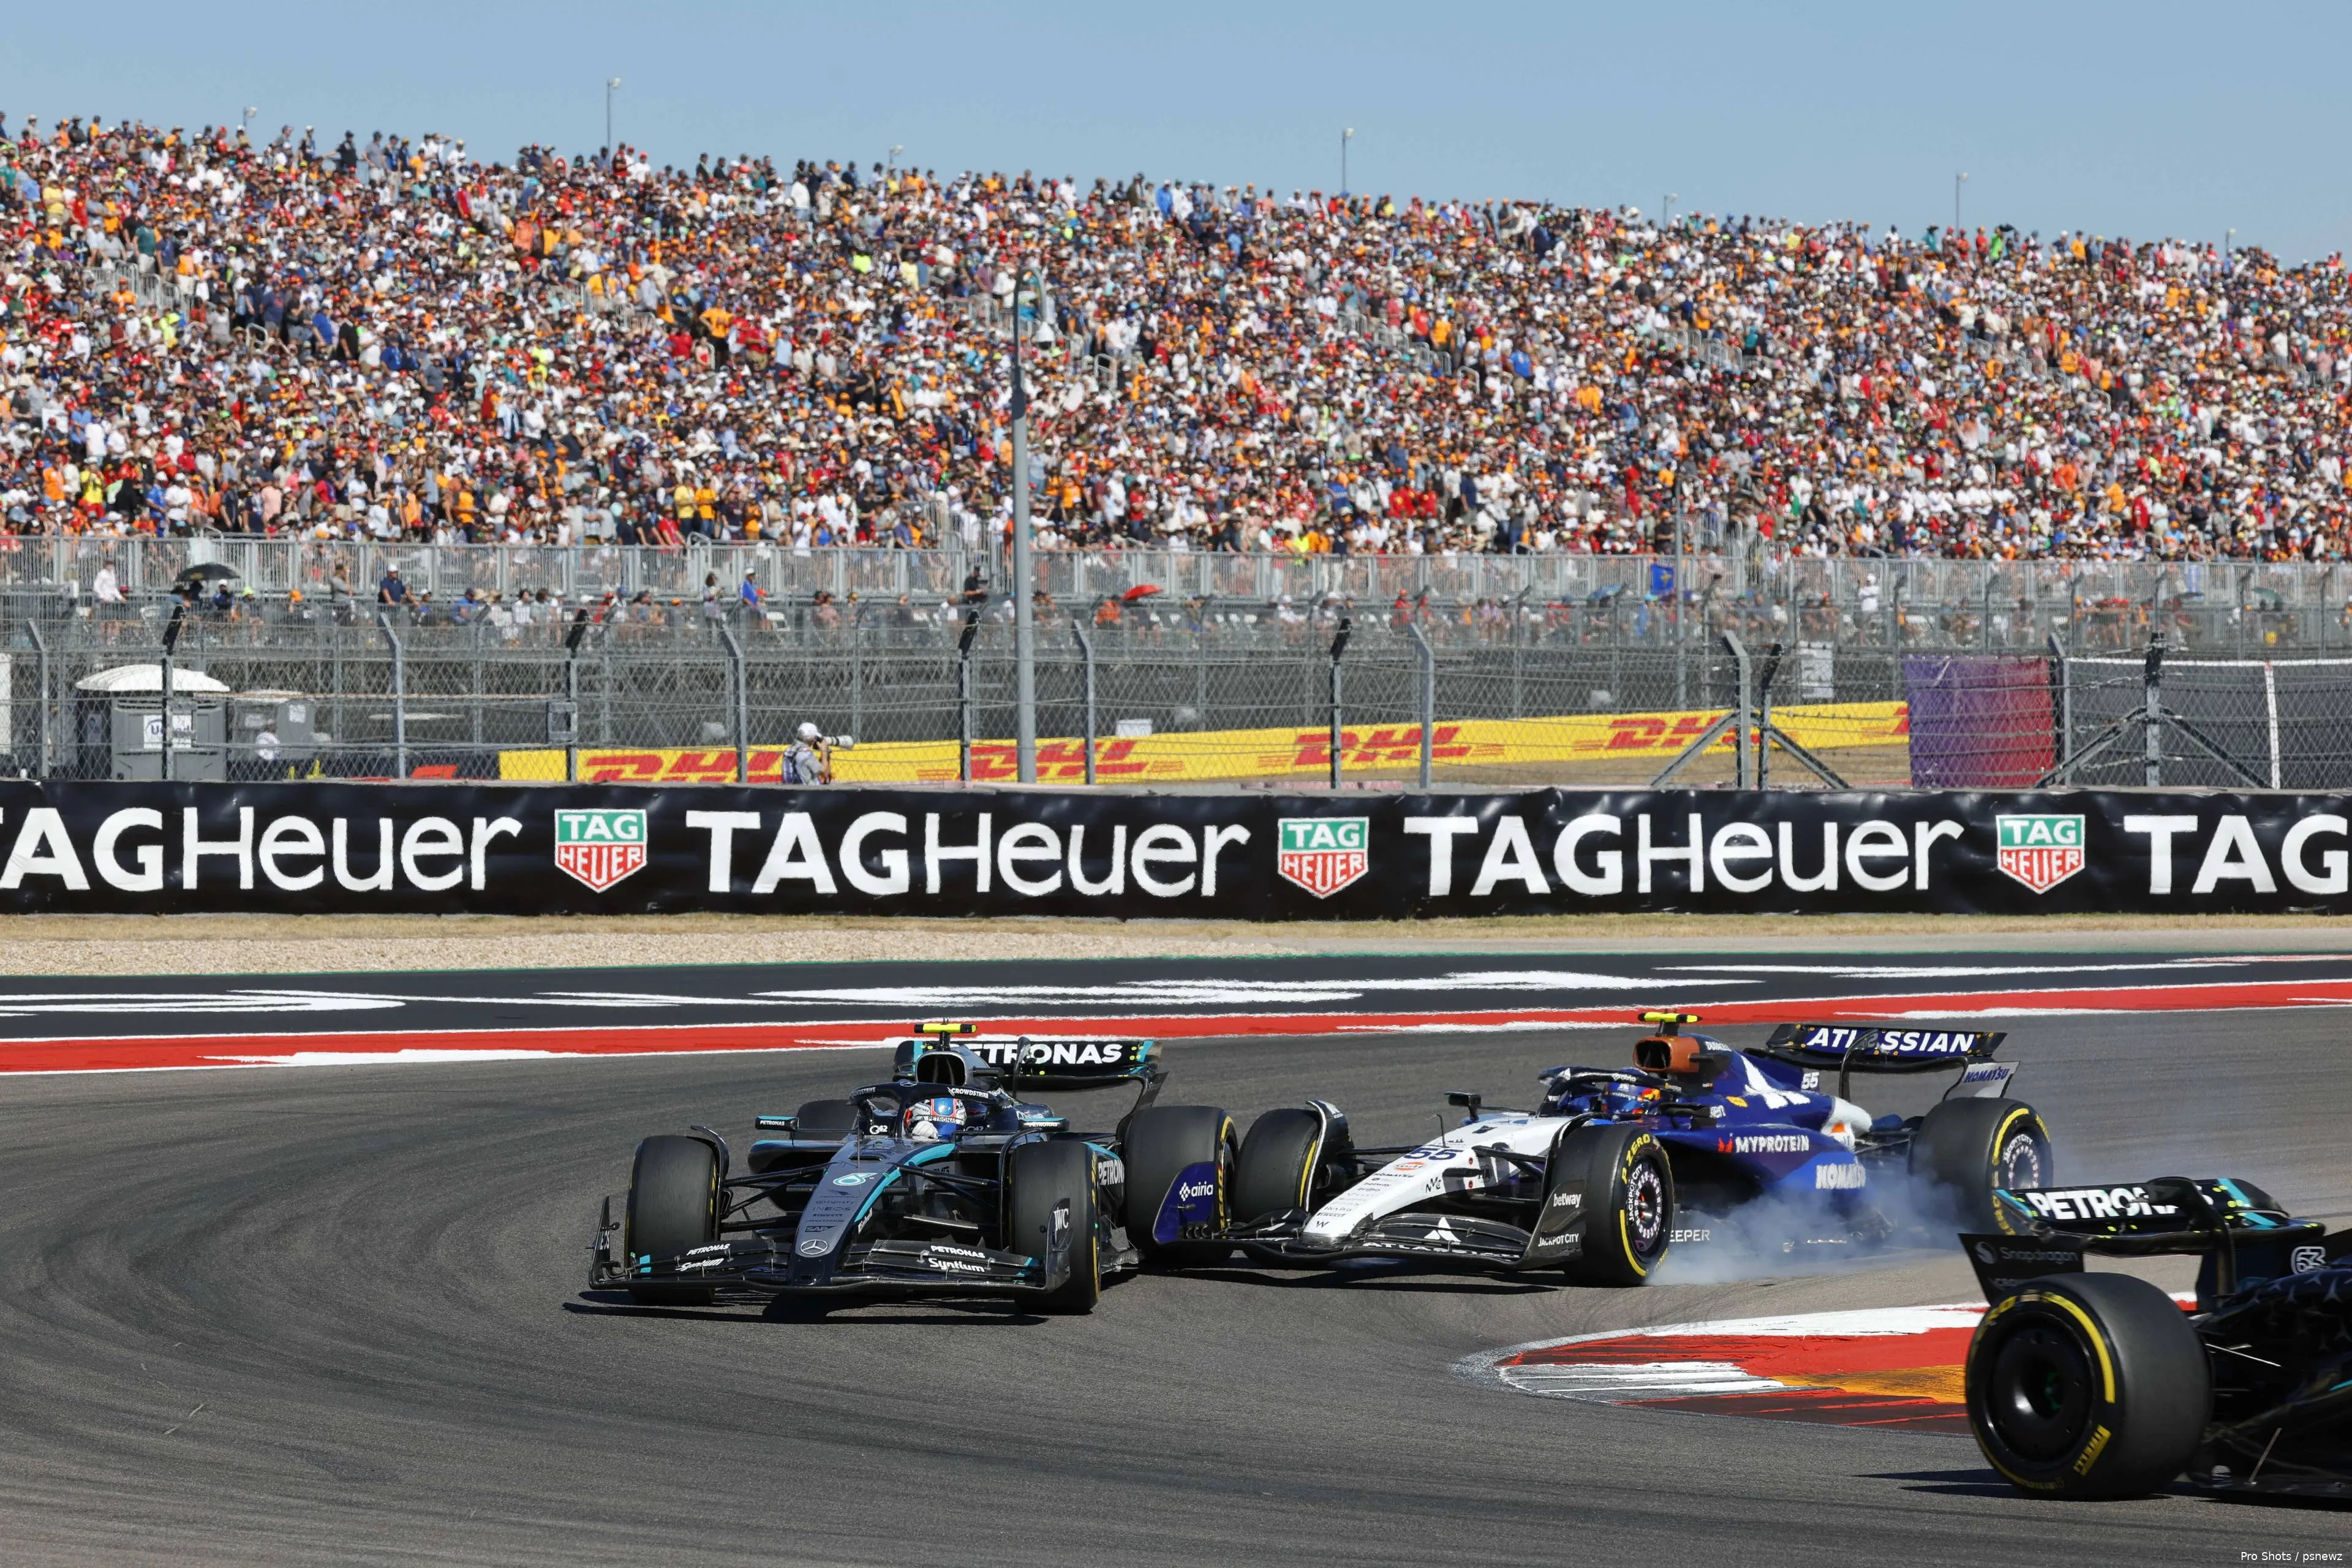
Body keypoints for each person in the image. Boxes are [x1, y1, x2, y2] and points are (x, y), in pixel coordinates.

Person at [783, 720, 831, 784]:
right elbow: (824, 773)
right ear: (812, 739)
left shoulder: (789, 750)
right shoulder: (806, 753)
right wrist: (825, 752)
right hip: (810, 791)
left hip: (792, 788)